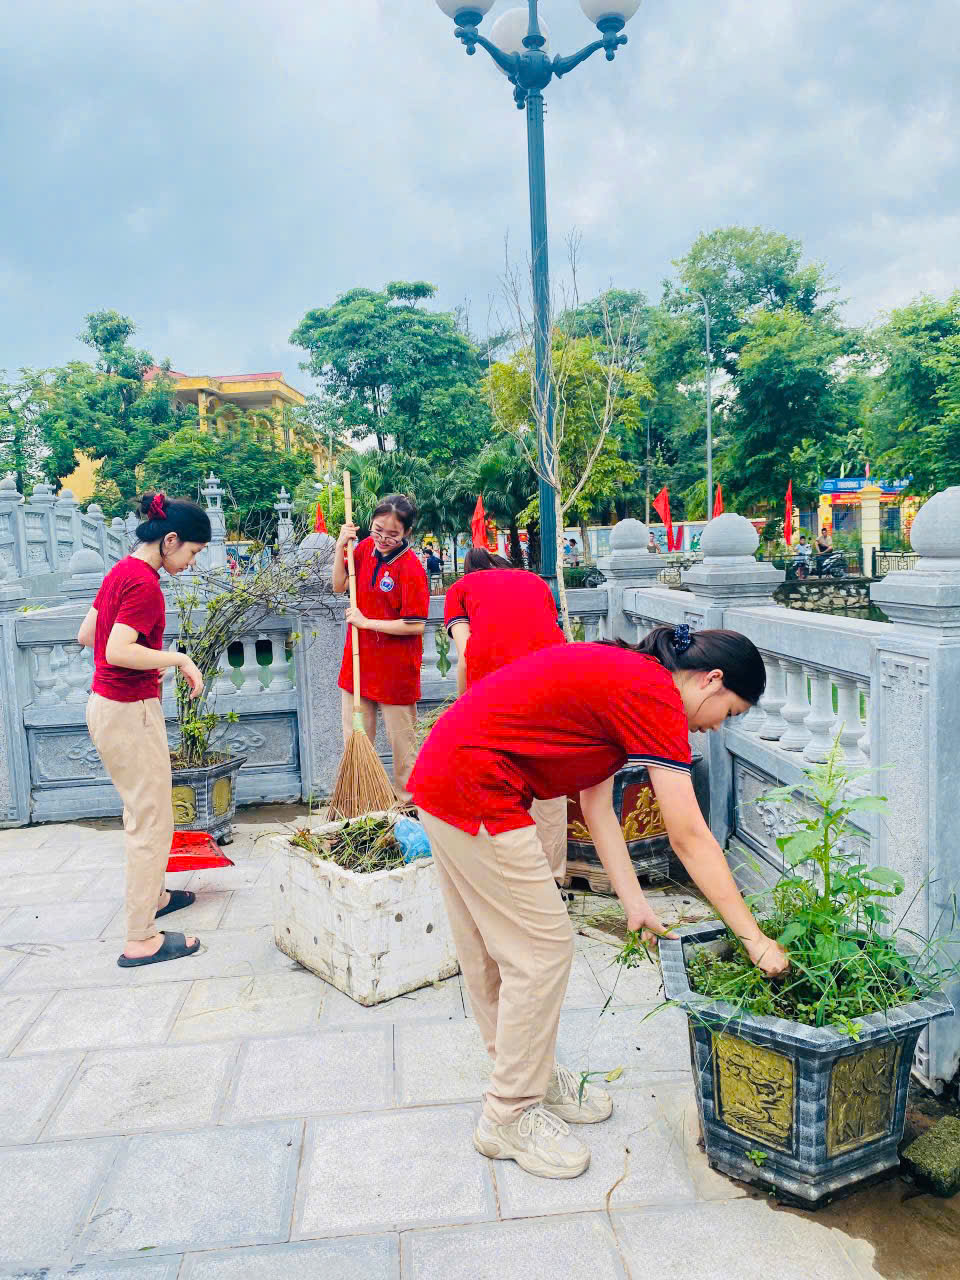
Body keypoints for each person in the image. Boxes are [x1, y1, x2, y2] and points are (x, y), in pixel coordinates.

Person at [408, 625, 789, 1180]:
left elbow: (596, 804)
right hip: (476, 786)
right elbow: (689, 836)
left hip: (446, 776)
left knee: (493, 949)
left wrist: (635, 902)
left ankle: (526, 1076)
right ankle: (509, 1113)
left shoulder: (632, 680)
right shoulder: (657, 695)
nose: (714, 728)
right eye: (728, 712)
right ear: (712, 680)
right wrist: (753, 938)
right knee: (542, 949)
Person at [76, 493, 210, 967]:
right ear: (170, 540)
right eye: (192, 551)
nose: (192, 563)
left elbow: (87, 635)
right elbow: (116, 650)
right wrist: (178, 658)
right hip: (128, 710)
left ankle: (154, 897)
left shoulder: (121, 572)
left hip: (107, 706)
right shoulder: (145, 585)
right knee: (151, 820)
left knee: (145, 810)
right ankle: (140, 938)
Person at [444, 546, 567, 881]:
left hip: (496, 694)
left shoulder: (460, 590)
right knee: (549, 785)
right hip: (553, 685)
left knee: (497, 782)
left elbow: (467, 655)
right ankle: (553, 879)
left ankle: (510, 876)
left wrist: (462, 709)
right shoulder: (534, 582)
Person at [333, 494, 429, 801]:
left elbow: (415, 625)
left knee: (404, 748)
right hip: (358, 665)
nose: (383, 539)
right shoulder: (362, 549)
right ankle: (362, 805)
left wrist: (367, 622)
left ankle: (408, 808)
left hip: (396, 671)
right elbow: (338, 586)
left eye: (392, 534)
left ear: (407, 533)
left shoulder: (410, 568)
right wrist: (339, 546)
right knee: (355, 741)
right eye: (378, 530)